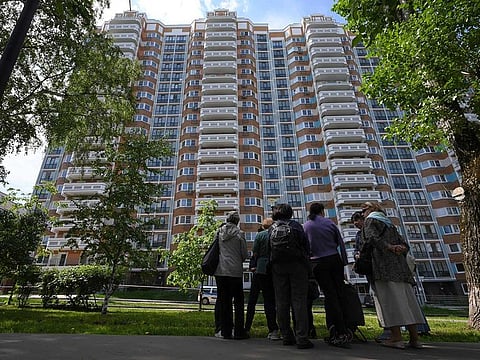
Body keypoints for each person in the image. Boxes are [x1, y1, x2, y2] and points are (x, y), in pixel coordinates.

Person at [361, 201, 424, 350]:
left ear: (372, 209)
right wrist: (398, 248)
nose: (362, 213)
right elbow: (404, 244)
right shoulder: (389, 223)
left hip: (384, 267)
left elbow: (371, 238)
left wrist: (389, 247)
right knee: (408, 301)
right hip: (401, 269)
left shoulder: (370, 220)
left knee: (390, 301)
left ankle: (396, 338)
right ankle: (415, 338)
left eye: (364, 209)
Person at [303, 202, 350, 347]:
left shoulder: (306, 226)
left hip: (317, 263)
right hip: (334, 260)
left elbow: (305, 248)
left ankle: (336, 330)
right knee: (338, 294)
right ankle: (342, 330)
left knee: (329, 295)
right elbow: (340, 243)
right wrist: (344, 262)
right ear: (322, 211)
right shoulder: (330, 223)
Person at [269, 203, 313, 349]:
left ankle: (286, 336)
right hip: (297, 266)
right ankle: (302, 338)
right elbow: (306, 247)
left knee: (281, 302)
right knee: (299, 301)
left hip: (278, 268)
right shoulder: (296, 226)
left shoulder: (272, 228)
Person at [214, 211, 249, 340]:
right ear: (237, 221)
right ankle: (239, 332)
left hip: (221, 271)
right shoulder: (240, 234)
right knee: (238, 302)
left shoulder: (218, 233)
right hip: (235, 272)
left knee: (224, 301)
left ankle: (225, 331)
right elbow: (244, 254)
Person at [244, 218, 280, 340]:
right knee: (269, 300)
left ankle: (246, 328)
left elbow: (254, 253)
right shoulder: (274, 234)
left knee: (252, 301)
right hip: (271, 270)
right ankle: (273, 329)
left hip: (259, 270)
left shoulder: (259, 235)